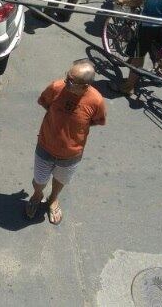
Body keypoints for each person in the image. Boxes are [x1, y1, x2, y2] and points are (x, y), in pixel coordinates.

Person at [24, 59, 106, 225]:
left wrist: (73, 127)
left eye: (71, 81)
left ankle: (53, 199)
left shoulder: (96, 101)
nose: (66, 82)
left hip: (71, 154)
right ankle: (37, 195)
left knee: (60, 180)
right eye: (67, 76)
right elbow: (45, 102)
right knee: (39, 180)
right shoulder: (56, 87)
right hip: (45, 146)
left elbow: (97, 120)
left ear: (85, 86)